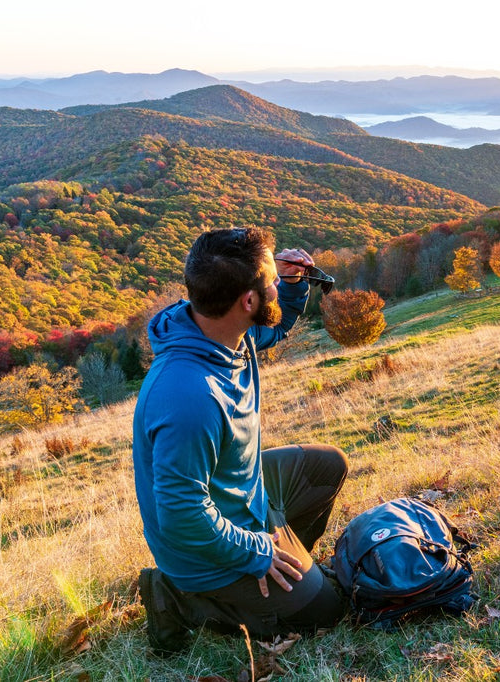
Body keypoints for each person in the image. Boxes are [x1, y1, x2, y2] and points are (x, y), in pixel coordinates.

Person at [132, 227, 348, 655]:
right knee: (330, 610)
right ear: (247, 301)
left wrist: (287, 283)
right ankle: (183, 600)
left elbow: (275, 323)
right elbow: (181, 515)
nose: (274, 284)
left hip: (240, 491)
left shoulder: (219, 324)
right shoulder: (189, 397)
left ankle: (281, 559)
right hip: (201, 551)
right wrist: (256, 552)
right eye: (269, 280)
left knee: (328, 466)